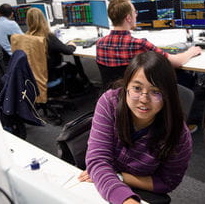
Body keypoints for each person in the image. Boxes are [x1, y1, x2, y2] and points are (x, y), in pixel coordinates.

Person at [79, 51, 192, 204]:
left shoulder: (179, 133)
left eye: (155, 92)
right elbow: (98, 160)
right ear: (126, 87)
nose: (144, 99)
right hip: (101, 185)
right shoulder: (110, 103)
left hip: (137, 189)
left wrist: (120, 177)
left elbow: (167, 182)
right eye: (137, 88)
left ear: (168, 95)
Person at [96, 0, 201, 86]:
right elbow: (175, 62)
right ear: (128, 18)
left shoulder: (100, 43)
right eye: (134, 12)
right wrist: (191, 51)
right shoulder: (139, 44)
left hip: (111, 96)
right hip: (136, 95)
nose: (136, 15)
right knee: (184, 76)